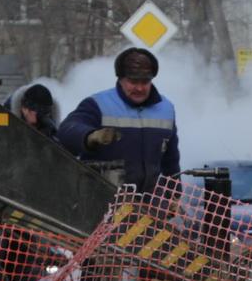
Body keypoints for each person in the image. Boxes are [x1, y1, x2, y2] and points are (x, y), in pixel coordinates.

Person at [57, 47, 179, 192]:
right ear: (120, 79)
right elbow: (67, 130)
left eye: (145, 82)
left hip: (148, 205)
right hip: (101, 202)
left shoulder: (166, 109)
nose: (139, 88)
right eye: (133, 82)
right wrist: (90, 137)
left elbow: (171, 162)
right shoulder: (98, 104)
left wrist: (174, 196)